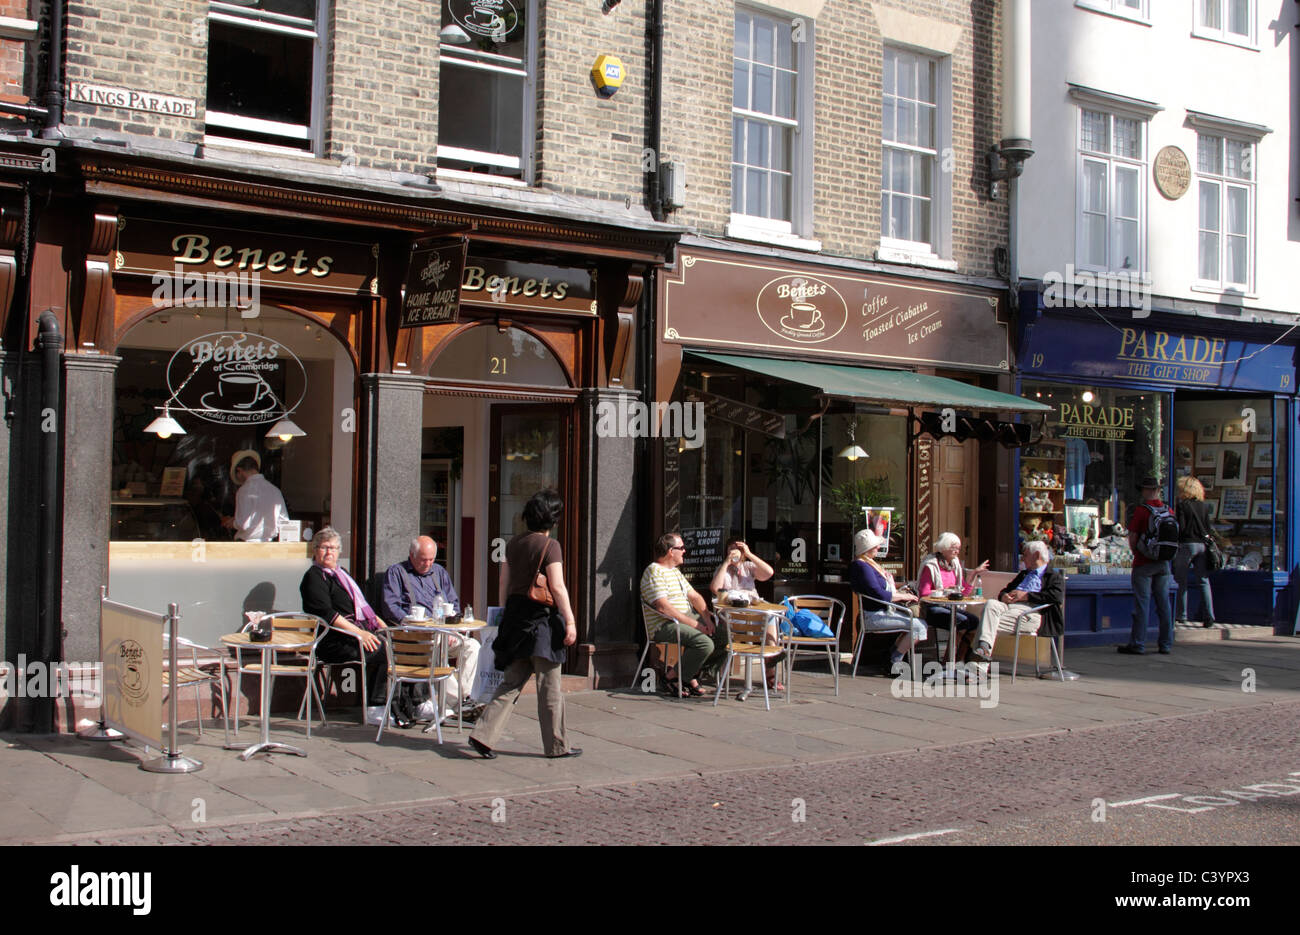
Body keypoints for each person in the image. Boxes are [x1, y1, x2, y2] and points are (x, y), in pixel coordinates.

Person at [468, 490, 580, 759]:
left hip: (516, 619)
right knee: (549, 687)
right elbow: (557, 586)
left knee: (510, 683)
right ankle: (556, 746)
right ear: (551, 520)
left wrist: (505, 615)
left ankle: (482, 736)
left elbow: (503, 583)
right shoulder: (550, 546)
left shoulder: (514, 543)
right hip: (542, 621)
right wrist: (571, 621)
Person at [380, 536, 482, 719]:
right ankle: (461, 702)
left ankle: (463, 697)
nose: (428, 563)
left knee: (473, 646)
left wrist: (452, 629)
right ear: (411, 555)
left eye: (431, 559)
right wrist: (411, 621)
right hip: (415, 637)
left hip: (443, 632)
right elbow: (390, 607)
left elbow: (453, 603)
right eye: (423, 559)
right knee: (438, 655)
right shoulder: (397, 572)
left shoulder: (439, 572)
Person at [299, 527, 392, 726]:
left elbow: (360, 604)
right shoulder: (314, 577)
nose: (329, 552)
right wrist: (360, 634)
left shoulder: (342, 574)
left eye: (333, 548)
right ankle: (375, 707)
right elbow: (328, 614)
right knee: (382, 651)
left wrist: (381, 624)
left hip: (354, 633)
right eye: (324, 547)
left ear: (339, 551)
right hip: (333, 640)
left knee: (398, 646)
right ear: (315, 550)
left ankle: (411, 704)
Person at [640, 532, 727, 696]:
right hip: (664, 624)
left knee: (723, 638)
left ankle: (688, 674)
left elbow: (694, 596)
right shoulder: (654, 571)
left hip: (685, 619)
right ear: (671, 551)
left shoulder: (675, 571)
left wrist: (707, 618)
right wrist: (697, 625)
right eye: (681, 548)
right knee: (704, 643)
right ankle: (672, 677)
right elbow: (664, 608)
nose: (685, 551)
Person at [969, 541, 1063, 664]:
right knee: (991, 604)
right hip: (1009, 607)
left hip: (1030, 612)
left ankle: (977, 666)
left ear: (1036, 555)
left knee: (985, 623)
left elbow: (1056, 596)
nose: (1023, 558)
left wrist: (1026, 596)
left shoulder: (1052, 576)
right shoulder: (1024, 574)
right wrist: (1004, 596)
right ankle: (983, 650)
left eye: (1025, 555)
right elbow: (1004, 590)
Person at [850, 528, 924, 675]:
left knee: (919, 625)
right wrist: (904, 597)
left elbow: (881, 591)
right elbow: (878, 594)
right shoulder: (862, 566)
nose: (878, 547)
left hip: (881, 612)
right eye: (875, 546)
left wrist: (889, 582)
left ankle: (891, 656)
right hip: (873, 616)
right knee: (919, 627)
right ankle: (893, 660)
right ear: (868, 548)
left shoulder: (869, 564)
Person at [1119, 475, 1175, 655]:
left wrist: (1136, 552)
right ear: (1158, 490)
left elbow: (1133, 536)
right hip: (1164, 563)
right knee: (1164, 605)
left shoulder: (1142, 511)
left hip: (1144, 563)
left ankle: (1138, 643)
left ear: (1145, 491)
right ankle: (1165, 643)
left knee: (1142, 605)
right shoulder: (1169, 510)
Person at [917, 532, 989, 635]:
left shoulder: (955, 565)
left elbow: (963, 593)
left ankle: (956, 651)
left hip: (950, 607)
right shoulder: (931, 566)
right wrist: (945, 592)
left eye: (958, 549)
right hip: (932, 607)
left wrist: (974, 573)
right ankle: (952, 650)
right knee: (961, 621)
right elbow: (924, 593)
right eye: (954, 548)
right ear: (944, 547)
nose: (957, 552)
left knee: (974, 621)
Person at [1173, 475, 1217, 628]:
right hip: (1202, 546)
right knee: (1204, 581)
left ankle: (1181, 614)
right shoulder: (1204, 506)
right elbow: (1208, 528)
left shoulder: (1182, 505)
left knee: (1180, 580)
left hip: (1187, 544)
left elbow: (1182, 528)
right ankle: (1209, 617)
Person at [222, 449, 288, 542]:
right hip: (270, 546)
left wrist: (232, 523)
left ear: (239, 471)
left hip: (248, 547)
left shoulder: (244, 491)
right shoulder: (275, 490)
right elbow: (284, 522)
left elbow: (243, 524)